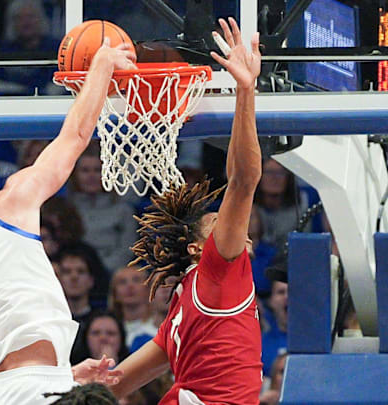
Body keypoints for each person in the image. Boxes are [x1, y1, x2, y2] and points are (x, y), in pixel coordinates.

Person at [0, 38, 136, 404]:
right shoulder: (7, 203)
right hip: (36, 389)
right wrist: (100, 66)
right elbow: (76, 136)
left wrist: (62, 375)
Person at [110, 18, 263, 404]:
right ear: (198, 249)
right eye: (218, 222)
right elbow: (243, 181)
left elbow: (114, 385)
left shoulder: (179, 314)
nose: (238, 229)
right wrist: (246, 90)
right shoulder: (217, 273)